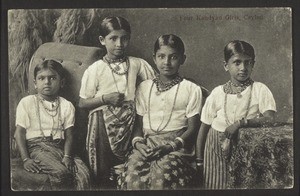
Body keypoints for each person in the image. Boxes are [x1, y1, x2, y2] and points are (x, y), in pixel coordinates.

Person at [78, 16, 156, 188]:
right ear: (102, 40)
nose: (119, 44)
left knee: (124, 170)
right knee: (103, 172)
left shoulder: (136, 64)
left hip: (129, 122)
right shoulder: (95, 69)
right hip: (101, 123)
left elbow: (154, 86)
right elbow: (83, 103)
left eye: (124, 38)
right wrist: (106, 98)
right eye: (113, 38)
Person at [119, 34, 203, 190]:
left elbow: (193, 128)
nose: (167, 62)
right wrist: (138, 144)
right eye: (161, 56)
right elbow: (138, 123)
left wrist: (170, 146)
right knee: (133, 172)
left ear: (182, 59)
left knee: (163, 173)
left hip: (177, 146)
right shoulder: (144, 87)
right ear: (154, 58)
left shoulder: (191, 89)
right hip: (148, 143)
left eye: (173, 57)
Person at [196, 40, 276, 189]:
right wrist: (199, 161)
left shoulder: (260, 89)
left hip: (246, 148)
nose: (243, 68)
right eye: (237, 63)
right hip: (215, 147)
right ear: (226, 65)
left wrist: (241, 123)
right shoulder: (217, 93)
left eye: (248, 63)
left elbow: (270, 119)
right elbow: (204, 127)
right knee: (216, 185)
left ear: (253, 64)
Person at [14, 60, 91, 190]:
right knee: (61, 173)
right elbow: (19, 133)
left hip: (60, 147)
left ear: (62, 83)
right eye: (41, 78)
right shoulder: (27, 102)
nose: (47, 82)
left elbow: (69, 135)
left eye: (52, 78)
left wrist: (67, 156)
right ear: (35, 83)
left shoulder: (66, 105)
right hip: (37, 147)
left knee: (84, 173)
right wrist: (26, 159)